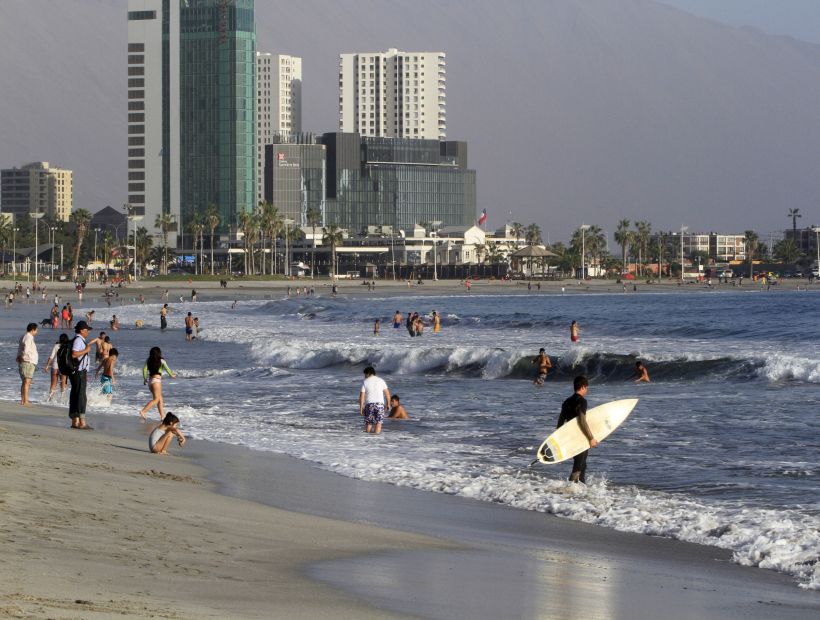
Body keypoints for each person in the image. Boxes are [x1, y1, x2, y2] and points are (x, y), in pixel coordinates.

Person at [556, 376, 597, 483]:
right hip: (580, 437)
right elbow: (582, 421)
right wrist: (591, 438)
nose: (587, 391)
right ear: (583, 387)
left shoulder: (566, 402)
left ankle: (580, 487)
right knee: (578, 465)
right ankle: (569, 488)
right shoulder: (582, 401)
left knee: (582, 464)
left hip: (570, 437)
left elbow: (560, 422)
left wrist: (560, 439)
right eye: (587, 388)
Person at [68, 320, 102, 429]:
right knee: (81, 396)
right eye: (86, 330)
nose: (88, 332)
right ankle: (82, 422)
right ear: (82, 330)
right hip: (79, 371)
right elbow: (74, 354)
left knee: (75, 394)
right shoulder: (78, 340)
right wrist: (86, 350)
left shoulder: (76, 339)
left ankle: (75, 421)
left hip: (76, 371)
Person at [140, 347, 176, 420]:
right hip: (156, 381)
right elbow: (167, 369)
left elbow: (144, 369)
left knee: (160, 399)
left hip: (150, 382)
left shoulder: (148, 360)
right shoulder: (162, 361)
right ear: (159, 353)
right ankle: (143, 411)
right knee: (156, 399)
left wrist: (144, 379)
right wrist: (171, 375)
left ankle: (162, 417)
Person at [359, 366, 390, 434]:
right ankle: (376, 441)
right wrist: (388, 404)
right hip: (379, 405)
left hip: (369, 405)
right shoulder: (381, 380)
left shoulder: (365, 382)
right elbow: (387, 393)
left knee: (369, 423)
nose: (364, 376)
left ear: (368, 373)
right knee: (378, 423)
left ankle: (367, 439)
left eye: (365, 374)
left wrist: (361, 408)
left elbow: (362, 396)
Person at [17, 323, 39, 406]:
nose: (37, 332)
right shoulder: (28, 337)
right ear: (33, 330)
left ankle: (23, 400)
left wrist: (19, 356)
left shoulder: (25, 336)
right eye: (36, 330)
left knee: (25, 381)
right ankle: (25, 401)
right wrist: (22, 356)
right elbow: (25, 349)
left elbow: (20, 348)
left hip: (26, 361)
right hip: (28, 362)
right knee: (27, 381)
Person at [43, 333, 69, 403]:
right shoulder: (68, 346)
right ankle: (62, 399)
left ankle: (50, 399)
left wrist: (47, 366)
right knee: (63, 383)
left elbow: (51, 357)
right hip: (63, 367)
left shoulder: (56, 345)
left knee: (53, 384)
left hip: (55, 366)